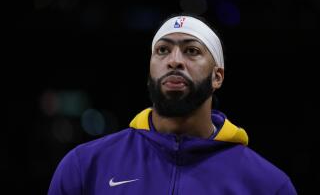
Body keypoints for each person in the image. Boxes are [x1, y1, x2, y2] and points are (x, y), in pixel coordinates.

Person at [48, 15, 297, 194]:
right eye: (163, 50)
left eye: (191, 51)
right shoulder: (85, 165)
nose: (174, 60)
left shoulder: (267, 184)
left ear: (217, 76)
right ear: (150, 71)